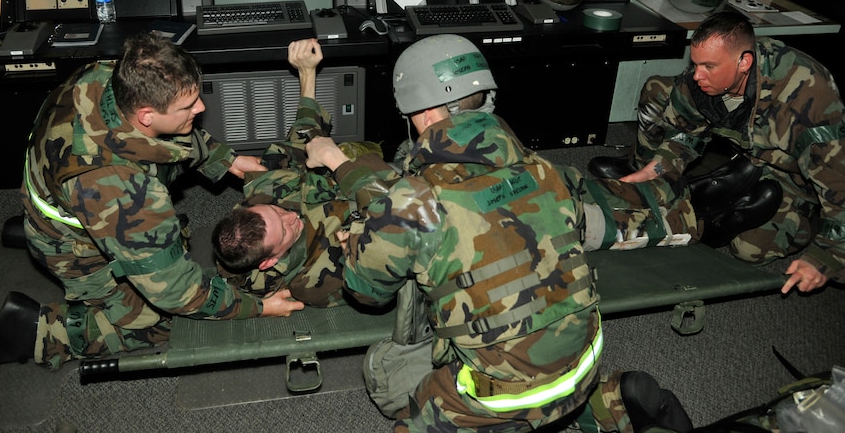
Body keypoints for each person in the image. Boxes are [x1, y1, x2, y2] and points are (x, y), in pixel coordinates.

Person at [302, 34, 755, 432]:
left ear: (421, 112)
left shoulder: (410, 204)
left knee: (390, 375)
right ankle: (608, 401)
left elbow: (366, 292)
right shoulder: (544, 170)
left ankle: (585, 411)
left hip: (508, 396)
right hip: (587, 360)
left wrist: (356, 237)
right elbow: (594, 221)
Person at [0, 32, 304, 373]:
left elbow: (171, 136)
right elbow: (178, 294)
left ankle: (51, 228)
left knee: (146, 193)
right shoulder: (125, 192)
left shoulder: (104, 75)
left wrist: (226, 160)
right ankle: (34, 331)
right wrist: (257, 307)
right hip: (73, 239)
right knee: (162, 323)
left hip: (54, 191)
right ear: (145, 116)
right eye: (188, 106)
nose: (201, 108)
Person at [588, 11, 845, 295]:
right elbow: (682, 134)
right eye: (696, 64)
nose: (697, 74)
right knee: (659, 90)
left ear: (744, 62)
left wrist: (826, 256)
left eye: (709, 66)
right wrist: (655, 169)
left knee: (747, 251)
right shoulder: (699, 78)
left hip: (795, 174)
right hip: (746, 150)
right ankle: (715, 188)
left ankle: (805, 216)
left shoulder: (808, 96)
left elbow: (839, 185)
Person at [211, 38, 398, 307]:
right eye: (285, 231)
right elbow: (399, 243)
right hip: (392, 205)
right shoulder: (315, 282)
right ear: (270, 262)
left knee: (346, 150)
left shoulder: (264, 194)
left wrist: (307, 73)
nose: (290, 216)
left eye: (276, 212)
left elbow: (301, 139)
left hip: (354, 175)